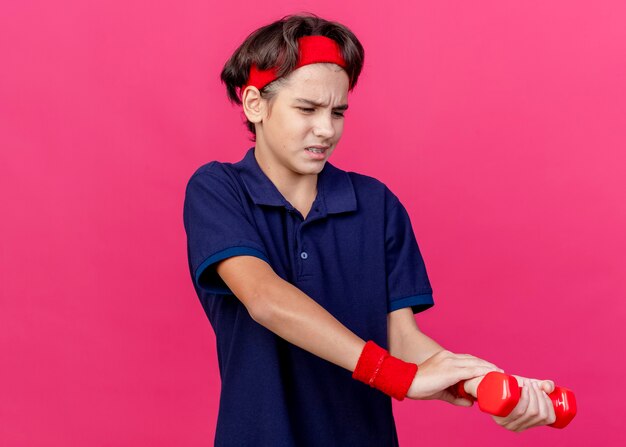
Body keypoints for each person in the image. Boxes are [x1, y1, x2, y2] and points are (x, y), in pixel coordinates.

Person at [183, 13, 557, 447]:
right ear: (255, 104)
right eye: (307, 109)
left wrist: (481, 382)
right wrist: (397, 378)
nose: (326, 129)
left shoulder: (376, 203)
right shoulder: (218, 189)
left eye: (337, 112)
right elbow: (265, 299)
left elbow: (401, 338)